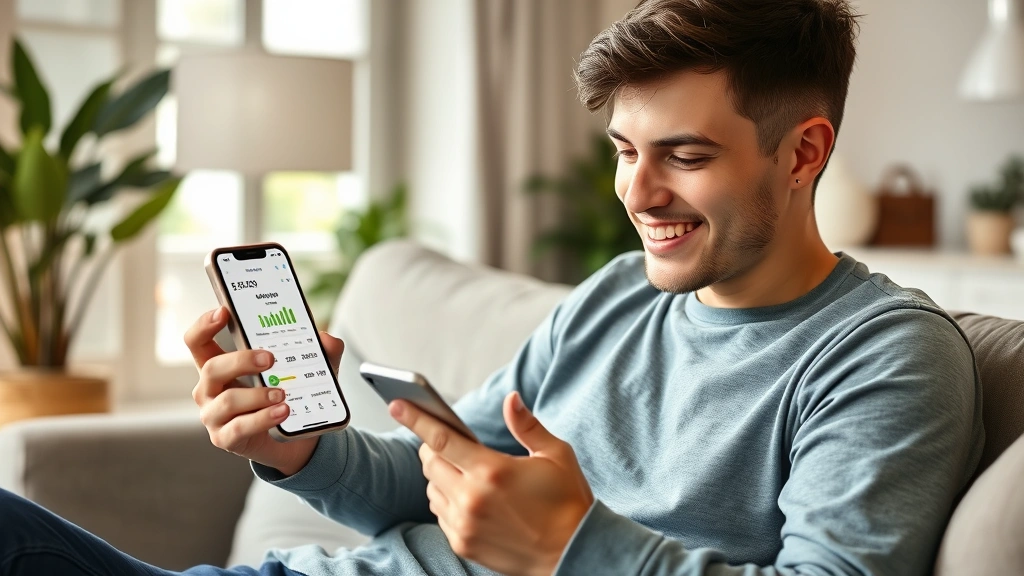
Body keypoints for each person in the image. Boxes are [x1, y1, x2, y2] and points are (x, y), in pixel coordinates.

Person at [0, 0, 984, 574]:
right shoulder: (616, 297)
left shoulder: (884, 355)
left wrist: (570, 541)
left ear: (804, 151)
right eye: (623, 151)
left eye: (682, 156)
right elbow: (431, 477)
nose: (638, 194)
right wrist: (303, 449)